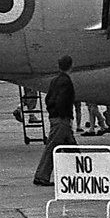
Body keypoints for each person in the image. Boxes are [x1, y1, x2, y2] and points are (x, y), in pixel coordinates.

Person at [34, 56, 77, 187]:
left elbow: (48, 99)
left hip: (55, 118)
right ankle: (41, 176)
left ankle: (80, 172)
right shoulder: (66, 82)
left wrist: (52, 112)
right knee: (53, 147)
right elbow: (62, 101)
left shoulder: (54, 81)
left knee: (71, 147)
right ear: (71, 66)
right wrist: (65, 116)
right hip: (62, 120)